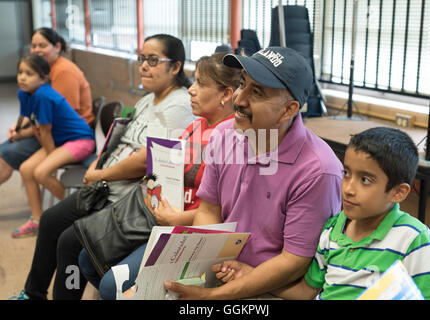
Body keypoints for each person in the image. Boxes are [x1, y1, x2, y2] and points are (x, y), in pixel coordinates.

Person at [8, 34, 195, 300]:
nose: (143, 66)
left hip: (126, 199)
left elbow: (147, 159)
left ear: (175, 67)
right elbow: (118, 139)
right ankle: (32, 293)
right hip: (104, 185)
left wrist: (101, 173)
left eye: (153, 60)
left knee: (71, 242)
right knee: (50, 220)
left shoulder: (178, 105)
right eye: (142, 59)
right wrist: (98, 162)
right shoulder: (147, 99)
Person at [163, 46, 343, 300]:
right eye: (242, 84)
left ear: (289, 110)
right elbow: (209, 210)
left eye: (256, 92)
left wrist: (213, 296)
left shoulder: (318, 171)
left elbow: (293, 261)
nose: (239, 99)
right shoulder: (224, 135)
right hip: (219, 267)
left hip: (271, 287)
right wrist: (202, 272)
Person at [77, 52, 242, 299]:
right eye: (193, 81)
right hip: (160, 218)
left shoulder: (233, 139)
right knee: (87, 258)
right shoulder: (194, 126)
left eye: (200, 84)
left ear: (226, 94)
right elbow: (164, 172)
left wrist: (176, 218)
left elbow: (227, 210)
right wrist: (154, 189)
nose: (191, 91)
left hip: (188, 230)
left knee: (112, 286)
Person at [257, 127, 430, 300]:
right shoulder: (332, 229)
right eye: (346, 173)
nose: (348, 188)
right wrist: (250, 277)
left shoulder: (412, 238)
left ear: (398, 192)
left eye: (365, 180)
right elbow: (306, 290)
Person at [0, 28, 95, 225]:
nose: (23, 78)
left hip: (78, 140)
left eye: (29, 74)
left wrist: (50, 163)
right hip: (59, 139)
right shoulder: (24, 92)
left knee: (41, 172)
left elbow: (45, 132)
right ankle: (37, 219)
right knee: (27, 169)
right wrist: (16, 130)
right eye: (20, 73)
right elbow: (25, 116)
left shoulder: (44, 95)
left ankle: (79, 213)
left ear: (44, 78)